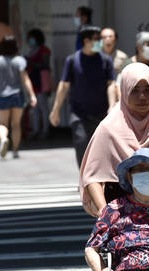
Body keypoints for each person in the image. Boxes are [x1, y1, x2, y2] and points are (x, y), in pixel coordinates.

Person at [79, 62, 149, 218]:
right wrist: (104, 212)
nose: (142, 97)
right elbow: (93, 177)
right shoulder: (108, 129)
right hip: (121, 218)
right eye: (135, 90)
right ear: (124, 90)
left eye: (147, 89)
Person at [51, 25, 116, 167]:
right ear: (86, 40)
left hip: (101, 113)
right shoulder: (73, 60)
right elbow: (64, 85)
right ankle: (85, 179)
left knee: (102, 149)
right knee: (81, 144)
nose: (101, 41)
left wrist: (112, 105)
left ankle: (99, 179)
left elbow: (111, 84)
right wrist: (55, 110)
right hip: (79, 113)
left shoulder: (105, 60)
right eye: (97, 39)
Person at [0, 36, 37, 159]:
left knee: (2, 124)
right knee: (16, 124)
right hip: (17, 95)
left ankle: (4, 138)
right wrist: (32, 95)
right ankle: (15, 150)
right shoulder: (19, 60)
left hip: (2, 96)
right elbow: (25, 79)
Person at [25, 28, 52, 140]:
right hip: (33, 81)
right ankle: (36, 130)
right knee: (35, 108)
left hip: (42, 80)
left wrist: (30, 62)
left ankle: (45, 130)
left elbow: (45, 65)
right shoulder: (31, 50)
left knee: (43, 107)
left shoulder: (44, 50)